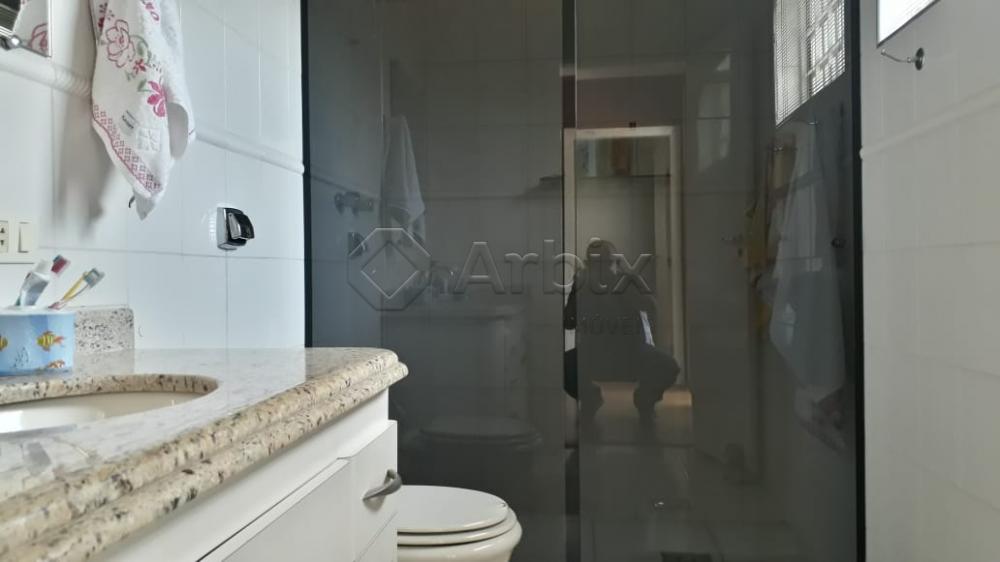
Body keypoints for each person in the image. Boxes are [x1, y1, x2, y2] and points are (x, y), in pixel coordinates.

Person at [563, 240, 680, 428]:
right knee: (562, 366)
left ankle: (645, 400)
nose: (601, 268)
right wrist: (579, 297)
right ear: (588, 264)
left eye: (606, 262)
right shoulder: (582, 285)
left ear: (617, 262)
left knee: (668, 366)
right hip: (594, 353)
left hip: (631, 353)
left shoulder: (628, 283)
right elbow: (567, 322)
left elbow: (653, 309)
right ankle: (590, 398)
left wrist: (631, 292)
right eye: (595, 263)